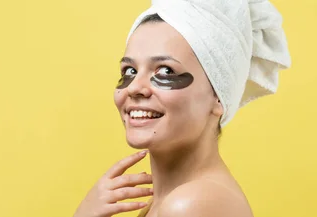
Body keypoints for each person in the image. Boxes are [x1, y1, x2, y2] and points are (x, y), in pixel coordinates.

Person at [73, 0, 291, 217]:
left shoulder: (190, 205)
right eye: (129, 71)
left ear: (218, 94)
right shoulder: (168, 202)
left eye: (165, 71)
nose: (135, 87)